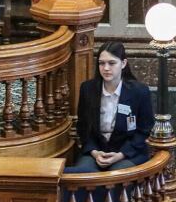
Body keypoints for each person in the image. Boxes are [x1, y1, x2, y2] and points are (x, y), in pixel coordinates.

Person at [64, 41, 154, 173]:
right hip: (96, 151)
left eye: (112, 63)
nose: (106, 68)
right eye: (101, 63)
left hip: (128, 152)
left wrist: (120, 155)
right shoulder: (87, 89)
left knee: (116, 177)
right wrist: (95, 152)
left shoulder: (139, 92)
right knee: (82, 176)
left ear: (123, 64)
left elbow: (144, 131)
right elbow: (83, 127)